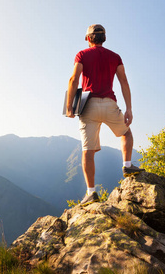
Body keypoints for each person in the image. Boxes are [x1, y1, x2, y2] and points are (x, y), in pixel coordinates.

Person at [66, 24, 144, 206]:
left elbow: (74, 79)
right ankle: (127, 166)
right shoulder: (115, 57)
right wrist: (129, 108)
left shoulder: (82, 55)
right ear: (104, 38)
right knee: (126, 133)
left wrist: (70, 106)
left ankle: (91, 193)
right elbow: (124, 82)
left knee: (88, 150)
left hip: (88, 105)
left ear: (88, 38)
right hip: (109, 104)